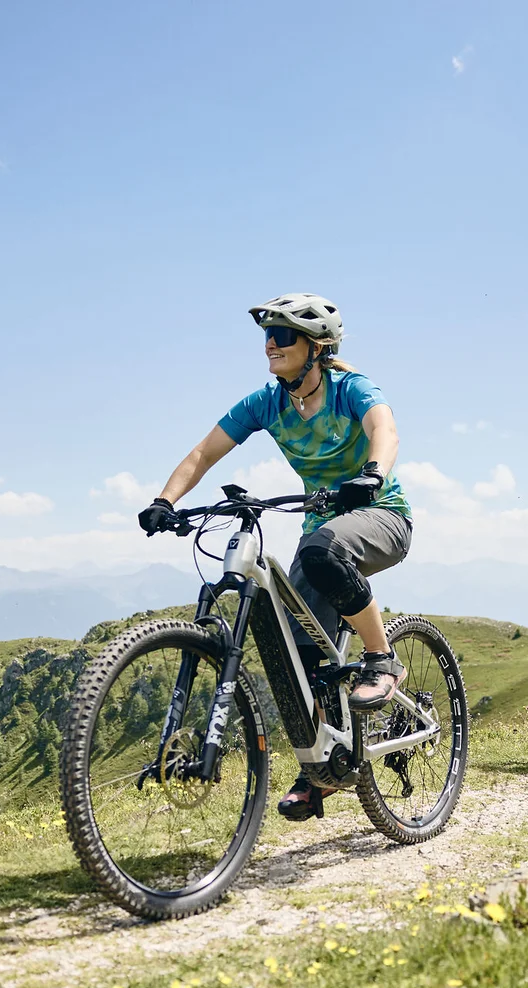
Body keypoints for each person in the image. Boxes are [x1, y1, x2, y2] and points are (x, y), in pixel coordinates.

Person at [137, 292, 413, 820]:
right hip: (319, 537)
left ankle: (382, 658)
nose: (271, 344)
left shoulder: (350, 388)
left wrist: (372, 473)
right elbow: (203, 452)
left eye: (283, 335)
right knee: (299, 652)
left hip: (382, 518)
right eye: (267, 334)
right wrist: (164, 500)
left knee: (320, 551)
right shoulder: (266, 402)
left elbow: (385, 429)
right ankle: (323, 769)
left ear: (316, 346)